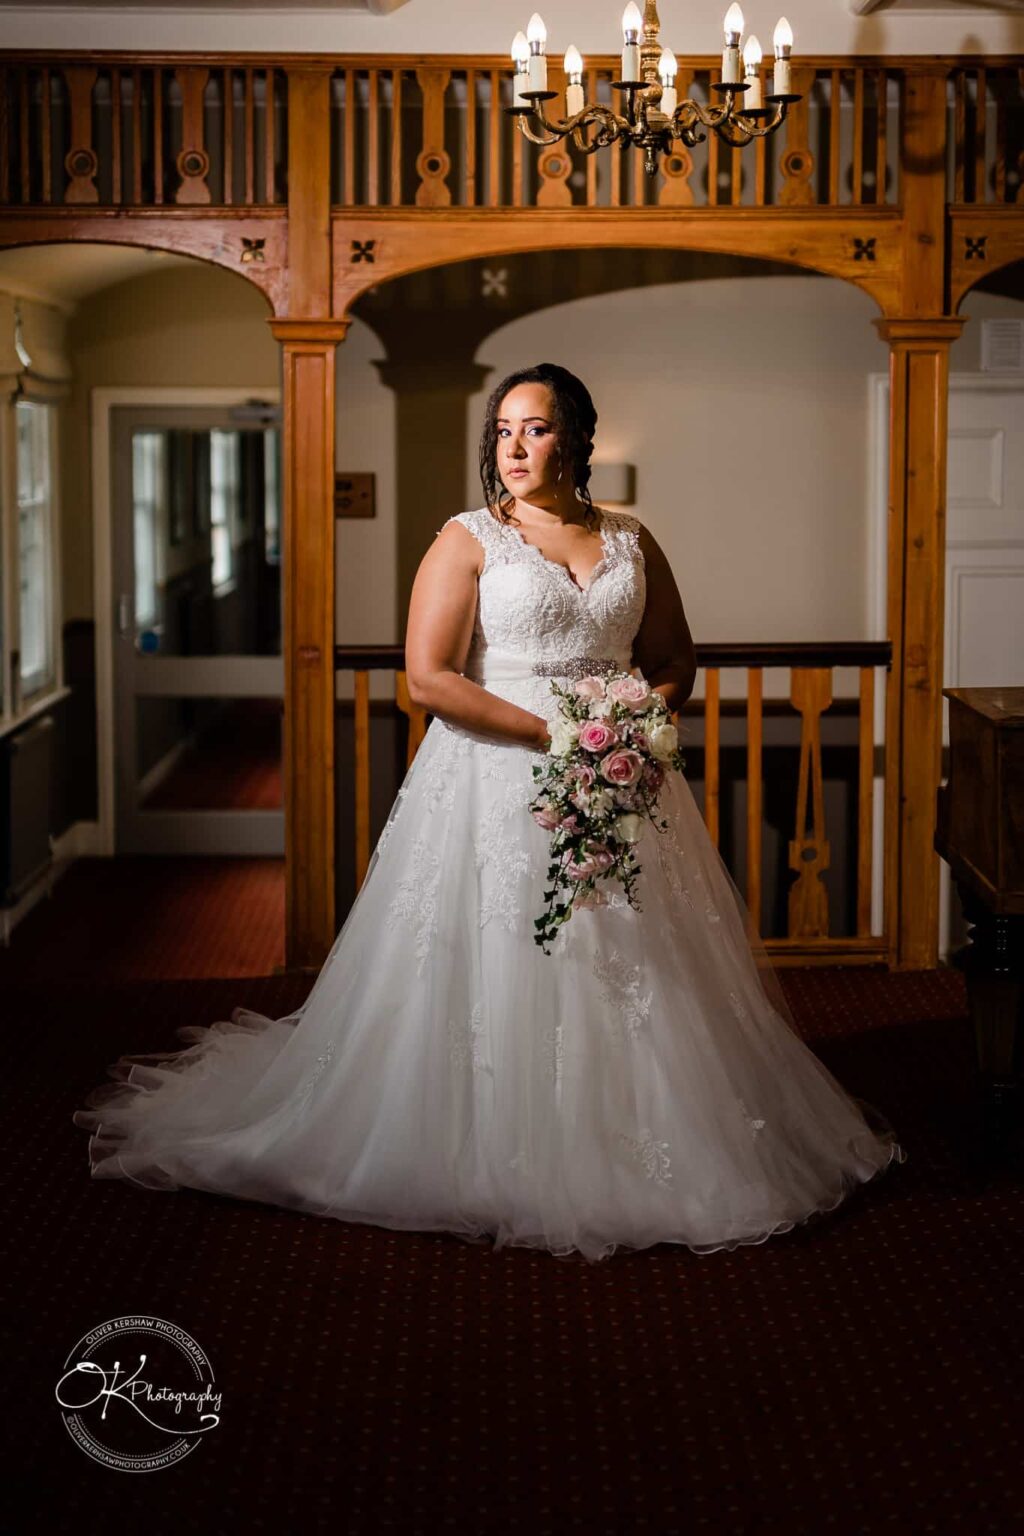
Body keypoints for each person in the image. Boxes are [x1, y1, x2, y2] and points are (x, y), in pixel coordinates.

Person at [73, 362, 905, 1263]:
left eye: (535, 428)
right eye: (503, 429)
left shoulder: (631, 539)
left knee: (626, 957)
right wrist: (559, 734)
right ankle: (487, 1143)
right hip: (494, 778)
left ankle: (629, 1137)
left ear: (576, 438)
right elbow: (427, 678)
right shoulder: (468, 538)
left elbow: (673, 655)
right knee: (508, 952)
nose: (514, 446)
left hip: (619, 778)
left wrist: (636, 718)